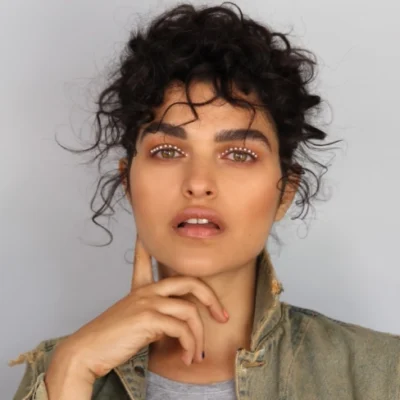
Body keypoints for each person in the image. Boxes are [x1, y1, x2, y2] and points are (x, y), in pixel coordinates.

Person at [9, 2, 400, 399]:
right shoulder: (62, 368)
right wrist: (71, 373)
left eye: (239, 154)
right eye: (167, 151)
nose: (198, 183)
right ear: (128, 182)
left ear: (284, 192)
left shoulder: (383, 375)